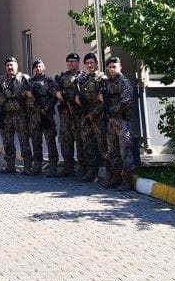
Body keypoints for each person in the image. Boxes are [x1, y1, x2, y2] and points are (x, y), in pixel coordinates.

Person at [101, 56, 136, 190]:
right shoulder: (108, 82)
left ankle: (127, 181)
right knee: (113, 151)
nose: (112, 69)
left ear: (120, 67)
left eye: (114, 66)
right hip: (110, 121)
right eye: (110, 67)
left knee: (125, 151)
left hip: (122, 121)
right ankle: (116, 178)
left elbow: (125, 102)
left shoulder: (124, 82)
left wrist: (110, 109)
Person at [0, 57, 32, 174]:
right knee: (7, 141)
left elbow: (30, 94)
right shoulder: (2, 80)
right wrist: (3, 97)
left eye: (12, 65)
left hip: (21, 114)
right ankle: (10, 165)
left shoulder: (24, 79)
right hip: (7, 115)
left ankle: (27, 165)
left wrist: (22, 95)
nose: (10, 67)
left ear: (17, 66)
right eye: (7, 65)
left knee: (24, 140)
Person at [25, 59, 59, 176]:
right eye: (36, 67)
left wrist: (48, 107)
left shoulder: (50, 81)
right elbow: (22, 92)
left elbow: (55, 96)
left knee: (50, 141)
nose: (38, 69)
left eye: (40, 66)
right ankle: (37, 166)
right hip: (34, 117)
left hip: (47, 115)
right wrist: (26, 94)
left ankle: (53, 166)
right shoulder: (29, 82)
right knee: (36, 141)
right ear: (33, 69)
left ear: (44, 67)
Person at [76, 53, 105, 182]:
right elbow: (80, 96)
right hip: (86, 116)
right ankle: (91, 172)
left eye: (92, 62)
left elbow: (104, 101)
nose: (90, 65)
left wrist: (94, 114)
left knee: (103, 145)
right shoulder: (83, 79)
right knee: (87, 145)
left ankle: (111, 173)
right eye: (87, 63)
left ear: (96, 63)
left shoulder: (102, 78)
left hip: (98, 116)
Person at [54, 53, 83, 178]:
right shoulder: (61, 78)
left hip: (79, 114)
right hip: (65, 114)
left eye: (74, 61)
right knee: (66, 141)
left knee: (81, 140)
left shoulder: (84, 77)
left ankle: (83, 167)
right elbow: (54, 91)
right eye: (69, 61)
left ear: (78, 63)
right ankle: (68, 167)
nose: (71, 63)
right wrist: (57, 94)